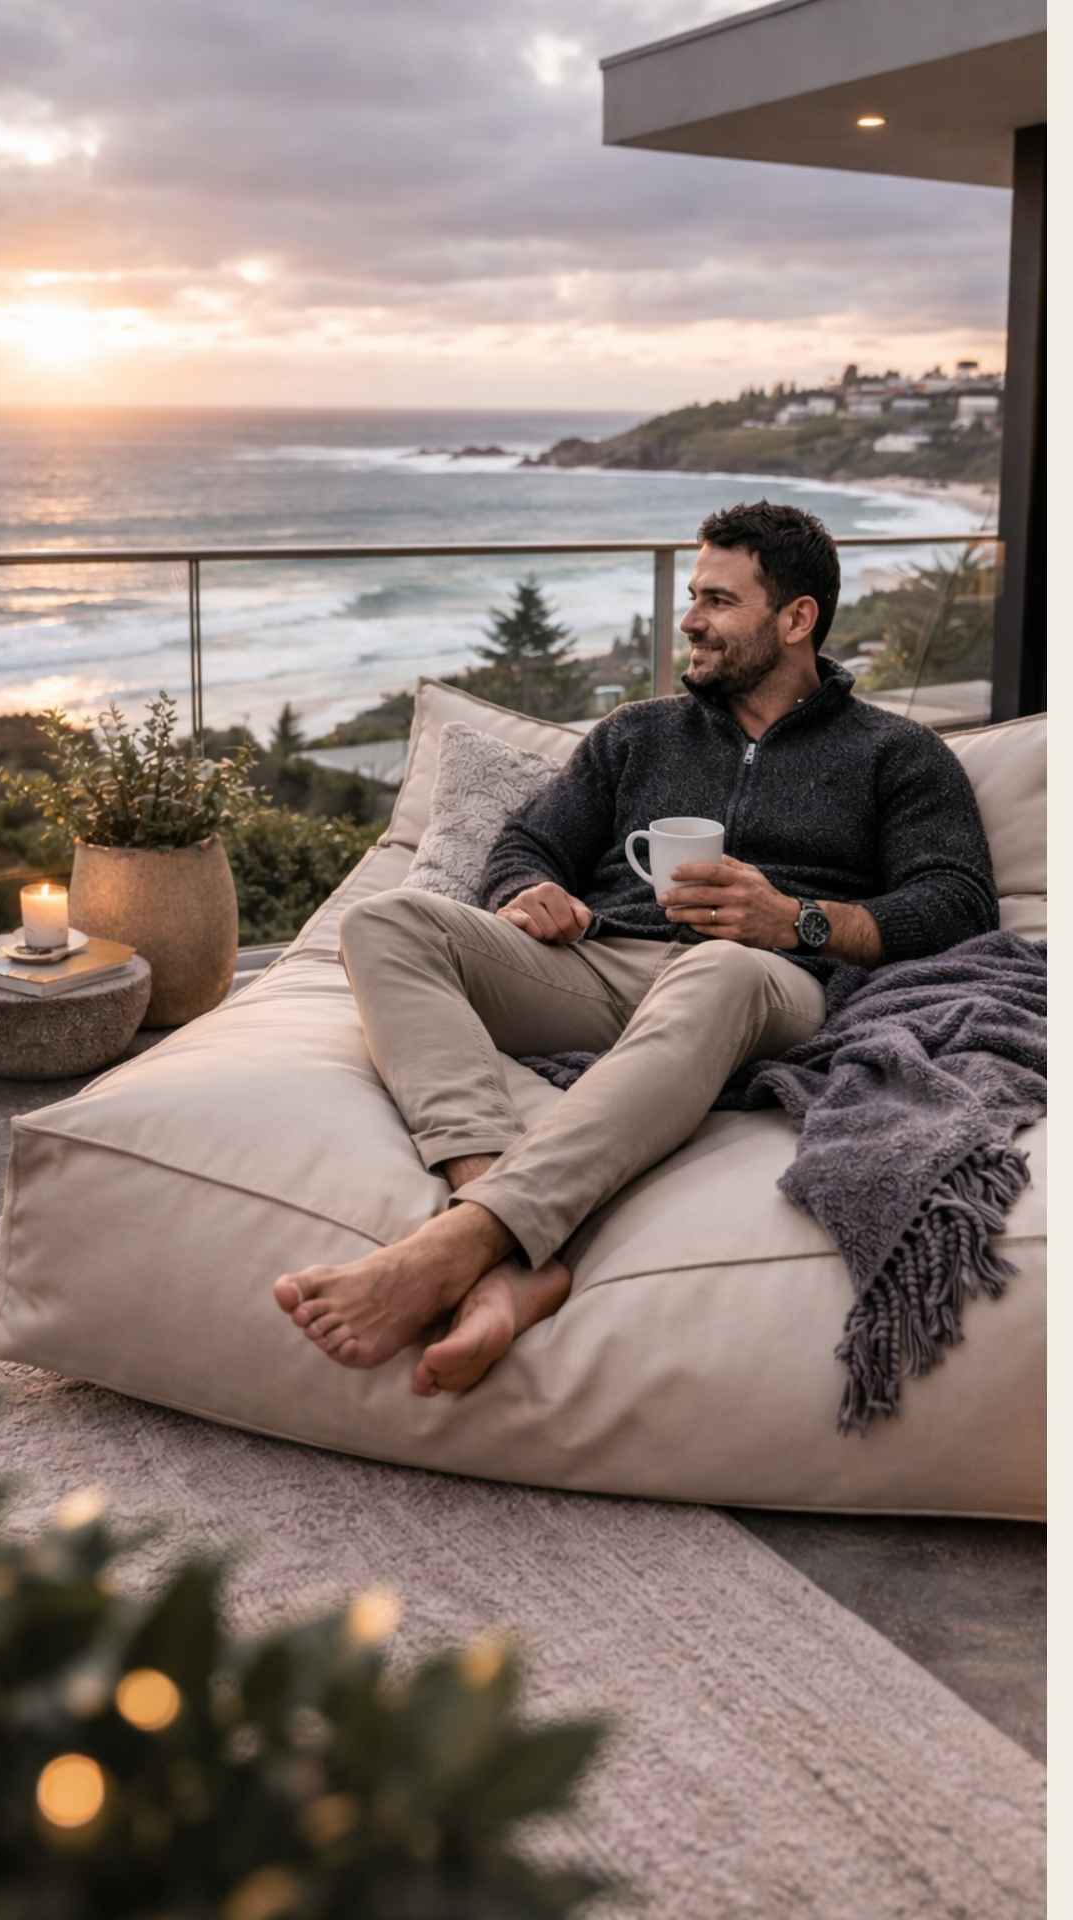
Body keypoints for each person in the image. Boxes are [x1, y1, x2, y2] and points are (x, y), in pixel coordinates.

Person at [273, 500, 998, 1395]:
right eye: (693, 595)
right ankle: (501, 1237)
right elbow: (526, 842)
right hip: (608, 963)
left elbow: (958, 903)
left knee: (721, 968)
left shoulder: (897, 753)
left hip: (764, 981)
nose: (689, 619)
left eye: (719, 601)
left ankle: (457, 1244)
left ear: (797, 619)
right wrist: (522, 890)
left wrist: (796, 919)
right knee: (384, 921)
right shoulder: (635, 734)